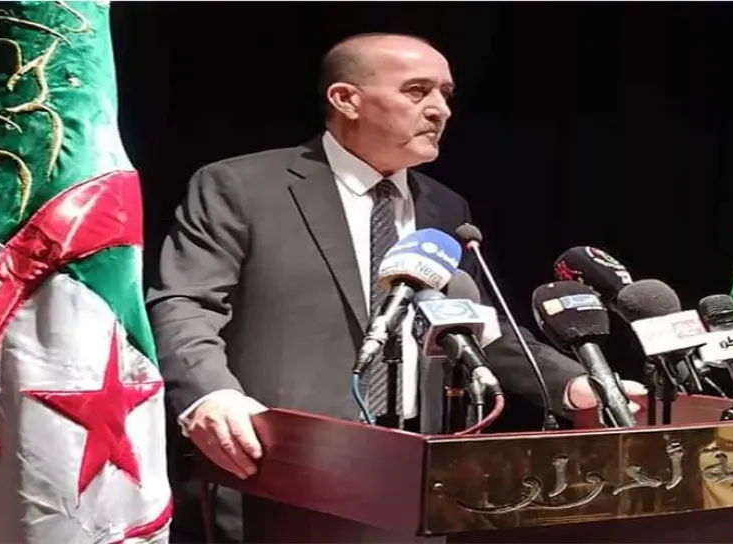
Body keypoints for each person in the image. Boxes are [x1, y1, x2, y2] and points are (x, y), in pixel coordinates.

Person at [146, 32, 644, 543]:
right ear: (346, 99)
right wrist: (211, 394)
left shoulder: (445, 208)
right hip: (277, 472)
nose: (440, 110)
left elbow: (476, 326)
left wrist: (569, 383)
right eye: (417, 91)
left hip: (411, 480)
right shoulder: (243, 186)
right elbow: (185, 302)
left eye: (445, 94)